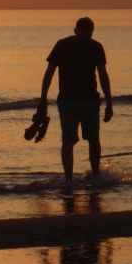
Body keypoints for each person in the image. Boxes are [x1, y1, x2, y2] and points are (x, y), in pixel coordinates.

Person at [36, 17, 113, 183]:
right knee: (93, 139)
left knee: (68, 141)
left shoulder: (62, 44)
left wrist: (43, 98)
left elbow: (49, 72)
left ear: (76, 29)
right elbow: (103, 75)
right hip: (89, 101)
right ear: (91, 31)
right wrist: (109, 103)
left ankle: (68, 180)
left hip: (67, 101)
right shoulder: (96, 46)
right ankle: (95, 176)